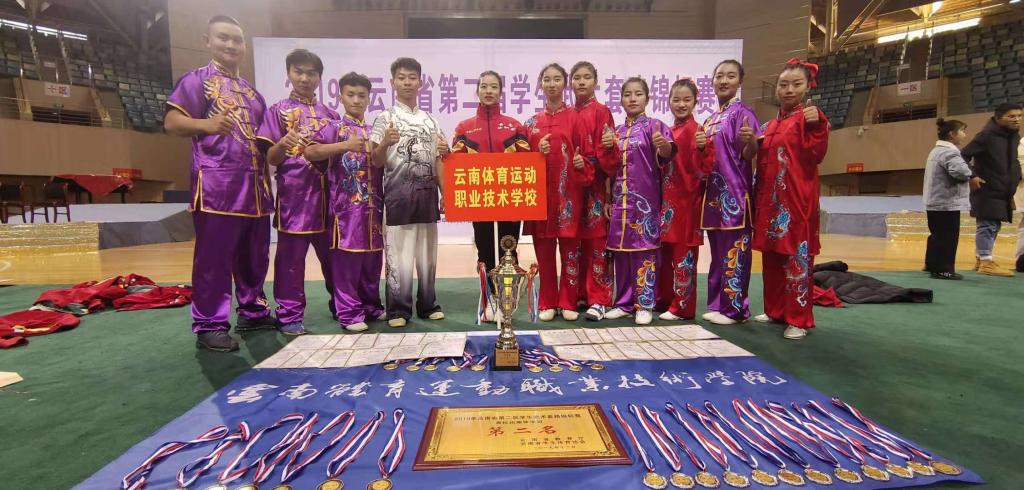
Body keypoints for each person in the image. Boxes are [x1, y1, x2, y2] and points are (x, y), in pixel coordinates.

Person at [164, 15, 274, 352]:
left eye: (236, 40)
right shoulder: (196, 81)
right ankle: (209, 324)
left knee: (254, 257)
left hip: (256, 191)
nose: (230, 45)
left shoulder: (253, 94)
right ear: (207, 41)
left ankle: (253, 311)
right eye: (223, 38)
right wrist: (206, 125)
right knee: (213, 260)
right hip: (217, 189)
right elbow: (172, 122)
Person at [257, 49, 338, 336]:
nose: (305, 78)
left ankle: (343, 305)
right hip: (294, 199)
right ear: (289, 73)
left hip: (329, 200)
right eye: (298, 72)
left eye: (311, 73)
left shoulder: (331, 116)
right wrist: (282, 143)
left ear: (320, 77)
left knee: (336, 260)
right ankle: (289, 315)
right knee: (290, 262)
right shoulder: (276, 111)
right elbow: (271, 158)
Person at [751, 59, 829, 340]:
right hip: (770, 204)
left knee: (797, 258)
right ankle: (775, 310)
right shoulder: (770, 125)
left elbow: (817, 154)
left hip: (797, 202)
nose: (789, 90)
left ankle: (798, 318)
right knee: (772, 258)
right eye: (783, 84)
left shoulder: (811, 119)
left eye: (796, 84)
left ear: (808, 87)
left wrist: (818, 125)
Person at [370, 57, 449, 327]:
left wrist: (445, 193)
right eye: (401, 78)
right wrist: (384, 143)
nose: (407, 82)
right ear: (392, 82)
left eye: (412, 77)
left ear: (420, 82)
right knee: (399, 259)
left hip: (427, 199)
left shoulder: (431, 121)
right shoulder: (385, 118)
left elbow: (439, 160)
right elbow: (376, 161)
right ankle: (398, 310)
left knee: (427, 257)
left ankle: (428, 305)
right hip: (397, 199)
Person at [305, 72, 386, 332]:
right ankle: (349, 313)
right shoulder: (334, 127)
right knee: (346, 262)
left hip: (374, 208)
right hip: (345, 209)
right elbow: (310, 151)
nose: (356, 100)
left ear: (369, 98)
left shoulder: (375, 131)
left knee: (372, 259)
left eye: (362, 95)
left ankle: (371, 306)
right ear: (341, 97)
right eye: (351, 95)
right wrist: (343, 146)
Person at [450, 70, 532, 322]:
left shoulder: (515, 126)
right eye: (484, 86)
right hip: (481, 202)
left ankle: (507, 301)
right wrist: (446, 155)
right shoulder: (464, 128)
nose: (488, 91)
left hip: (510, 202)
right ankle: (489, 300)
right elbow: (457, 166)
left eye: (494, 87)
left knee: (509, 250)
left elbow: (527, 163)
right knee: (485, 252)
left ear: (501, 92)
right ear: (477, 90)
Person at [603, 77, 675, 325]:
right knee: (621, 253)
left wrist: (663, 146)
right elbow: (609, 169)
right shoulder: (616, 132)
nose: (632, 99)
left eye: (638, 94)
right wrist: (607, 198)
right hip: (619, 203)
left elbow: (667, 155)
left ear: (647, 98)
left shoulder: (655, 126)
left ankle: (644, 304)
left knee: (644, 250)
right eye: (627, 94)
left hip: (645, 203)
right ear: (621, 99)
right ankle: (623, 303)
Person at [524, 63, 590, 321]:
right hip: (540, 197)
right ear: (541, 84)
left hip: (569, 195)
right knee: (544, 252)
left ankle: (569, 301)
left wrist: (581, 163)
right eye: (547, 80)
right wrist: (535, 151)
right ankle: (548, 300)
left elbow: (586, 154)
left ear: (565, 83)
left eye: (557, 79)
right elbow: (522, 164)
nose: (552, 84)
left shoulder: (576, 118)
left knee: (571, 251)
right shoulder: (532, 123)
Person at [700, 59, 761, 325]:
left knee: (736, 253)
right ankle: (717, 304)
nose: (724, 80)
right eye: (719, 76)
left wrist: (751, 143)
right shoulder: (709, 120)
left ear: (740, 81)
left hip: (735, 196)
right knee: (717, 255)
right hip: (713, 198)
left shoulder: (743, 113)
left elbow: (748, 154)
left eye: (730, 76)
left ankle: (736, 310)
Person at [657, 78, 713, 321]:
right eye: (676, 99)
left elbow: (706, 168)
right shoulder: (669, 131)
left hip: (687, 202)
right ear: (669, 101)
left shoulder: (697, 131)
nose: (681, 104)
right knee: (665, 255)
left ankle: (683, 307)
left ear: (695, 102)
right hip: (667, 203)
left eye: (687, 100)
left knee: (684, 256)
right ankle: (665, 300)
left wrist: (703, 148)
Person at [570, 61, 619, 321]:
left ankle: (599, 298)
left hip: (596, 186)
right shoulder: (567, 113)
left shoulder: (602, 112)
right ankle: (579, 293)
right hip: (571, 187)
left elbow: (610, 161)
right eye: (577, 77)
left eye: (587, 77)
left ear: (595, 82)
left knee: (597, 241)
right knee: (575, 242)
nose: (581, 82)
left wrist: (608, 147)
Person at [962, 102, 1022, 277]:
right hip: (987, 189)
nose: (1017, 119)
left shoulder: (1014, 136)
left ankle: (981, 259)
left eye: (1019, 116)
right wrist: (972, 175)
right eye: (1011, 116)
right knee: (987, 225)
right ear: (998, 118)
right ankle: (986, 262)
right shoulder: (986, 135)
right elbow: (963, 155)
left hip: (1004, 190)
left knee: (994, 225)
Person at [922, 118, 971, 280]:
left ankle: (931, 265)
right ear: (952, 134)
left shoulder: (936, 151)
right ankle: (944, 269)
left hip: (935, 202)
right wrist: (971, 172)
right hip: (946, 203)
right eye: (962, 130)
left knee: (936, 235)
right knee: (948, 237)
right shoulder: (950, 152)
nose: (965, 134)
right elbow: (961, 172)